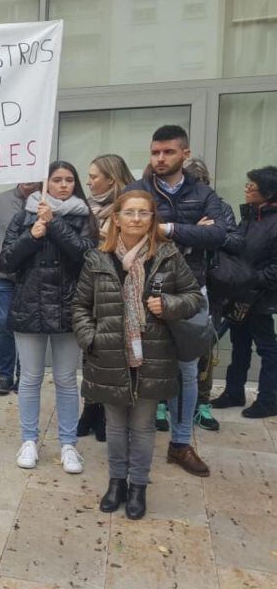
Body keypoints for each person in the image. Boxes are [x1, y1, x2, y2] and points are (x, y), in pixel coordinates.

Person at [72, 190, 203, 520]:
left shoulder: (168, 255)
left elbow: (193, 297)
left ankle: (139, 486)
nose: (136, 219)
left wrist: (169, 305)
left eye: (143, 213)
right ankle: (116, 482)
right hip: (109, 354)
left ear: (152, 219)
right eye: (129, 213)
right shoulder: (98, 258)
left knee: (143, 426)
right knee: (115, 425)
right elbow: (80, 306)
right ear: (115, 218)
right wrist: (91, 339)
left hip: (154, 355)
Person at [125, 124, 225, 477]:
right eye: (155, 152)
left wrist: (165, 228)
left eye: (168, 152)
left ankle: (181, 444)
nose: (160, 158)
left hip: (189, 290)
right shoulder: (137, 190)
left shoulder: (203, 192)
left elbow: (218, 234)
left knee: (185, 371)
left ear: (185, 153)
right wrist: (189, 231)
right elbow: (126, 229)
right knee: (140, 365)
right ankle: (136, 445)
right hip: (141, 287)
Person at [0, 161, 97, 474]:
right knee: (29, 378)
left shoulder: (84, 216)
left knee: (67, 380)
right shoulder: (25, 216)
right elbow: (6, 260)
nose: (64, 185)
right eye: (57, 180)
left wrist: (54, 224)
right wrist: (32, 234)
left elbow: (86, 254)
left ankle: (68, 444)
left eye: (70, 179)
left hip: (70, 307)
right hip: (30, 306)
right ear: (46, 184)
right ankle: (29, 440)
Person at [75, 154, 132, 442]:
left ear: (111, 178)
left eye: (94, 176)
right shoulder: (86, 208)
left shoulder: (128, 208)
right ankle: (91, 410)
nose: (88, 181)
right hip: (91, 289)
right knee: (92, 353)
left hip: (118, 292)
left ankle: (109, 417)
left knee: (114, 356)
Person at [213, 167, 277, 419]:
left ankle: (269, 399)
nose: (246, 189)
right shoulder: (250, 217)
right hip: (239, 295)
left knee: (267, 349)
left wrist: (249, 281)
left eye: (252, 186)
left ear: (269, 192)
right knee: (240, 344)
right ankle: (234, 391)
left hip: (260, 298)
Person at [182, 156, 235, 432]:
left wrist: (213, 233)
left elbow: (236, 240)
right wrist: (193, 232)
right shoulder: (176, 208)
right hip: (177, 285)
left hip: (210, 285)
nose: (199, 187)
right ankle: (166, 405)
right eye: (193, 181)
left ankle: (202, 404)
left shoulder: (221, 208)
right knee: (170, 347)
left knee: (204, 345)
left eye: (203, 181)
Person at [0, 181, 42, 395]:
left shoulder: (47, 202)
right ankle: (5, 376)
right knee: (3, 324)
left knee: (26, 327)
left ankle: (24, 376)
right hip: (2, 275)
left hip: (31, 277)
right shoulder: (1, 200)